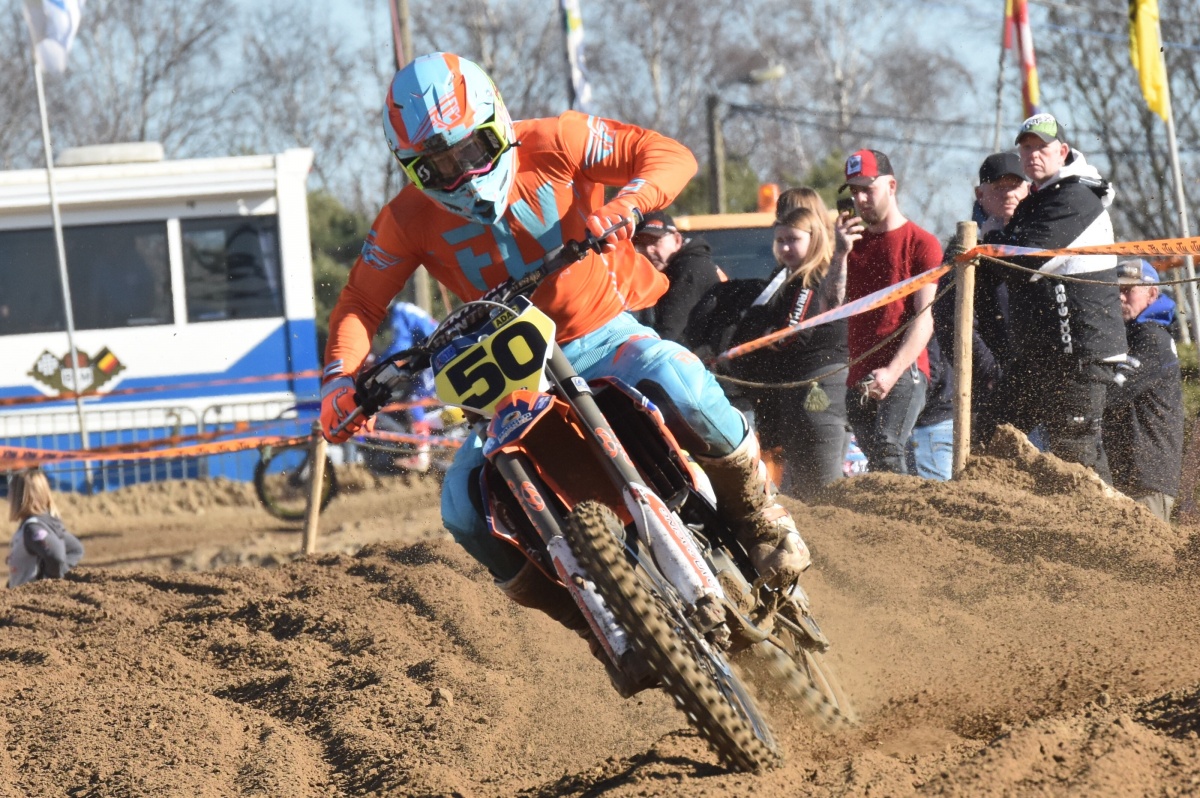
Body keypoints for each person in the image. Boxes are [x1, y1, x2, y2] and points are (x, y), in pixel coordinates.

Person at [318, 53, 809, 683]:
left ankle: (760, 517)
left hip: (602, 336)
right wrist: (340, 381)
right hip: (512, 379)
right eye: (436, 166)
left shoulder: (556, 140)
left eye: (472, 149)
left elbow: (669, 155)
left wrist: (630, 203)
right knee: (462, 509)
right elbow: (360, 303)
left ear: (497, 121)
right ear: (411, 169)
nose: (461, 174)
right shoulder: (405, 217)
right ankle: (596, 623)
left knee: (680, 380)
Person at [980, 113, 1126, 481]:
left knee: (1076, 454)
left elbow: (1024, 260)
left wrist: (991, 240)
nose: (1032, 155)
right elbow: (1001, 263)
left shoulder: (1075, 197)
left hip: (1081, 353)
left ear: (1062, 151)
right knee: (991, 435)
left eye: (1041, 147)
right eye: (1026, 148)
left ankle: (1115, 518)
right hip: (1041, 356)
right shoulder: (1038, 201)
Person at [824, 149, 941, 474]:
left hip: (904, 369)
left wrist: (892, 372)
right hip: (858, 375)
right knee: (876, 462)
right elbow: (830, 308)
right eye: (854, 191)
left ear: (891, 186)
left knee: (888, 449)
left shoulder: (921, 243)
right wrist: (840, 254)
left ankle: (903, 510)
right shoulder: (852, 245)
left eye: (868, 189)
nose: (860, 199)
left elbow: (924, 320)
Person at [723, 204, 849, 499]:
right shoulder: (787, 277)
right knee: (801, 478)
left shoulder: (811, 278)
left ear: (814, 239)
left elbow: (793, 334)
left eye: (793, 239)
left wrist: (762, 342)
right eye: (780, 240)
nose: (785, 248)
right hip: (796, 384)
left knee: (822, 479)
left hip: (817, 382)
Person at [1101, 260, 1183, 522]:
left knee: (1143, 549)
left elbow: (1112, 394)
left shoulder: (1152, 338)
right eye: (1116, 291)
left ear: (1152, 294)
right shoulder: (1131, 336)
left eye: (1128, 290)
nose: (1120, 297)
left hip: (1145, 480)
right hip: (1129, 474)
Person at [630, 211, 726, 344]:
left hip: (705, 352)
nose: (648, 250)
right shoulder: (666, 270)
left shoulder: (690, 268)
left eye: (655, 241)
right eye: (641, 244)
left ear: (677, 240)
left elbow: (667, 334)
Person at [381, 301, 440, 472]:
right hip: (435, 352)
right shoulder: (405, 309)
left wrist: (379, 365)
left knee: (414, 401)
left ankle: (422, 457)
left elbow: (400, 346)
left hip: (435, 355)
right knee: (412, 395)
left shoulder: (398, 312)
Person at [7, 469, 84, 588]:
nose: (8, 497)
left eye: (11, 492)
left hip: (29, 596)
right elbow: (75, 548)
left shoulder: (33, 528)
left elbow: (57, 556)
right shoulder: (39, 525)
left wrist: (49, 582)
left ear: (20, 496)